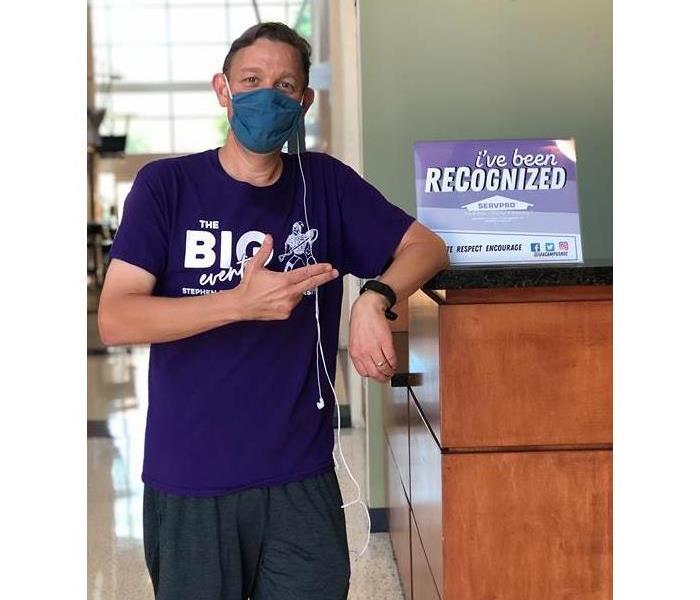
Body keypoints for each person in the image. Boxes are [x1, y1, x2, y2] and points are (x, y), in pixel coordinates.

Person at [98, 21, 448, 600]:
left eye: (285, 85)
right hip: (192, 480)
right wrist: (237, 303)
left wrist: (375, 298)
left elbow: (426, 247)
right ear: (223, 89)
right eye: (251, 80)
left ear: (304, 101)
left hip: (299, 480)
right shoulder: (167, 186)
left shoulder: (324, 184)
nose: (268, 95)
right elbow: (116, 318)